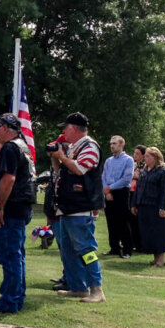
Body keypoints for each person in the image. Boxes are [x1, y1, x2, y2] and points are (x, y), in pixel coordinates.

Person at [50, 112, 105, 302]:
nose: (63, 132)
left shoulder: (90, 146)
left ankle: (97, 289)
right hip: (68, 206)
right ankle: (78, 287)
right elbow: (61, 172)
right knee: (68, 251)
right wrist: (55, 158)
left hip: (82, 207)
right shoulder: (73, 147)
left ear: (74, 128)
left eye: (65, 128)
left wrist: (63, 156)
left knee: (86, 249)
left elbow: (80, 169)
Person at [0, 114, 35, 313]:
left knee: (9, 255)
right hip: (19, 207)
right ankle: (15, 297)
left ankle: (10, 301)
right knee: (16, 255)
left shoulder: (10, 148)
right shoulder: (22, 146)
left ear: (6, 128)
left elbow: (8, 179)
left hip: (10, 209)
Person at [132, 146, 165, 267]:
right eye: (145, 155)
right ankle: (155, 259)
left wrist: (163, 208)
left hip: (157, 207)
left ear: (156, 157)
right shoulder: (145, 170)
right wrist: (134, 204)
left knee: (159, 233)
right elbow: (138, 188)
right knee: (149, 233)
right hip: (144, 206)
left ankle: (161, 260)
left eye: (147, 156)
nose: (145, 158)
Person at [101, 135, 135, 259]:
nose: (112, 146)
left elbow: (126, 179)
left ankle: (127, 249)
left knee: (122, 221)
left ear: (121, 145)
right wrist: (106, 191)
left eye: (114, 143)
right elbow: (103, 176)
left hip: (121, 192)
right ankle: (114, 247)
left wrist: (111, 188)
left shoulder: (128, 160)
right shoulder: (109, 161)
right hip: (109, 191)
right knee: (111, 221)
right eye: (111, 143)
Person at [128, 144, 146, 253]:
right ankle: (132, 242)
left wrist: (134, 176)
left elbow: (140, 177)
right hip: (130, 192)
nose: (135, 155)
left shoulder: (144, 166)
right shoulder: (134, 165)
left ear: (143, 156)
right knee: (130, 220)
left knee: (136, 220)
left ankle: (140, 244)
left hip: (138, 193)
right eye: (134, 153)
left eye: (138, 153)